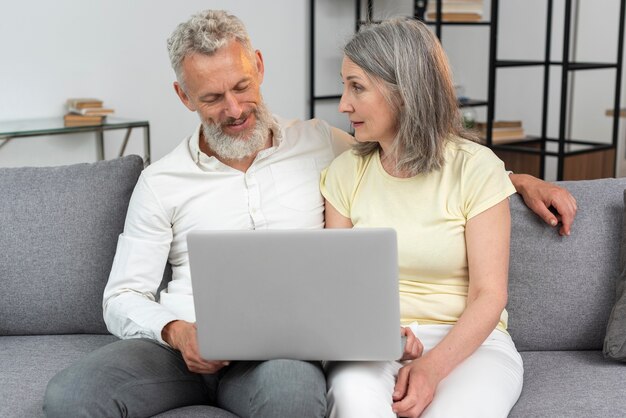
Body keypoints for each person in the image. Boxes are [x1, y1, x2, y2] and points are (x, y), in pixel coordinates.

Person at [43, 9, 575, 418]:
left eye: (242, 86)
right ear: (183, 97)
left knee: (294, 395)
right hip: (183, 344)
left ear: (260, 67)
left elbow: (418, 159)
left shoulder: (323, 146)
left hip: (279, 351)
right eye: (211, 97)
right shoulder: (159, 182)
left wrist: (514, 179)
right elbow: (122, 296)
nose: (232, 109)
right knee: (70, 396)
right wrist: (180, 332)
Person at [320, 17, 531, 418]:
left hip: (471, 343)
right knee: (353, 403)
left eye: (357, 87)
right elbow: (342, 290)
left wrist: (432, 368)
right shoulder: (345, 173)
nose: (343, 104)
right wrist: (383, 337)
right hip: (376, 343)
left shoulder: (476, 168)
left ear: (405, 91)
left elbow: (490, 295)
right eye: (344, 85)